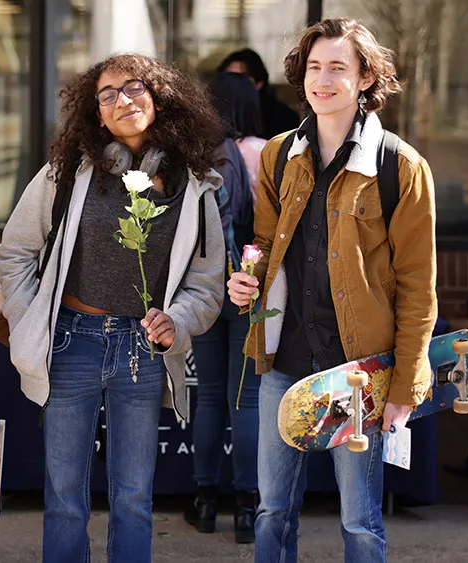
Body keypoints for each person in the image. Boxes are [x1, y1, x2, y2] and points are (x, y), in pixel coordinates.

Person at [0, 54, 226, 563]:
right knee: (63, 500)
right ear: (97, 115)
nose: (121, 100)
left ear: (159, 99)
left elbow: (207, 288)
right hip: (70, 342)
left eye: (133, 88)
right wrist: (32, 316)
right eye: (107, 94)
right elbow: (13, 254)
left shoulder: (196, 187)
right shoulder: (66, 176)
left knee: (133, 499)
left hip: (141, 351)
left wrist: (178, 320)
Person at [226, 18, 437, 563]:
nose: (323, 80)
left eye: (339, 68)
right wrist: (246, 280)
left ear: (366, 77)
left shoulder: (401, 166)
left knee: (359, 520)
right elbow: (265, 243)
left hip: (359, 370)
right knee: (272, 509)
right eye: (314, 67)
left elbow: (419, 286)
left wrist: (404, 387)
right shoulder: (278, 155)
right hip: (285, 361)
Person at [183, 71, 267, 544]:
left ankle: (204, 499)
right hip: (251, 284)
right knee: (247, 397)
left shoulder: (197, 155)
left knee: (210, 395)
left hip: (206, 285)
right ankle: (248, 508)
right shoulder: (265, 151)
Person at [217, 48, 300, 139]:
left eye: (241, 79)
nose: (233, 84)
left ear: (258, 84)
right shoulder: (212, 113)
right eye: (228, 78)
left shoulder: (283, 118)